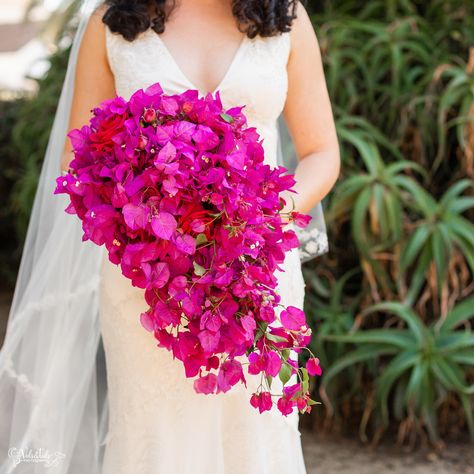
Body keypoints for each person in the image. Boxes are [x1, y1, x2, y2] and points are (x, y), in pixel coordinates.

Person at [0, 0, 340, 472]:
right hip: (149, 278)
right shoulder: (113, 22)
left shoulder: (285, 16)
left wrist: (253, 219)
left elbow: (322, 151)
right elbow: (78, 157)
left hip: (255, 269)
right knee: (155, 440)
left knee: (254, 442)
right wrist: (154, 214)